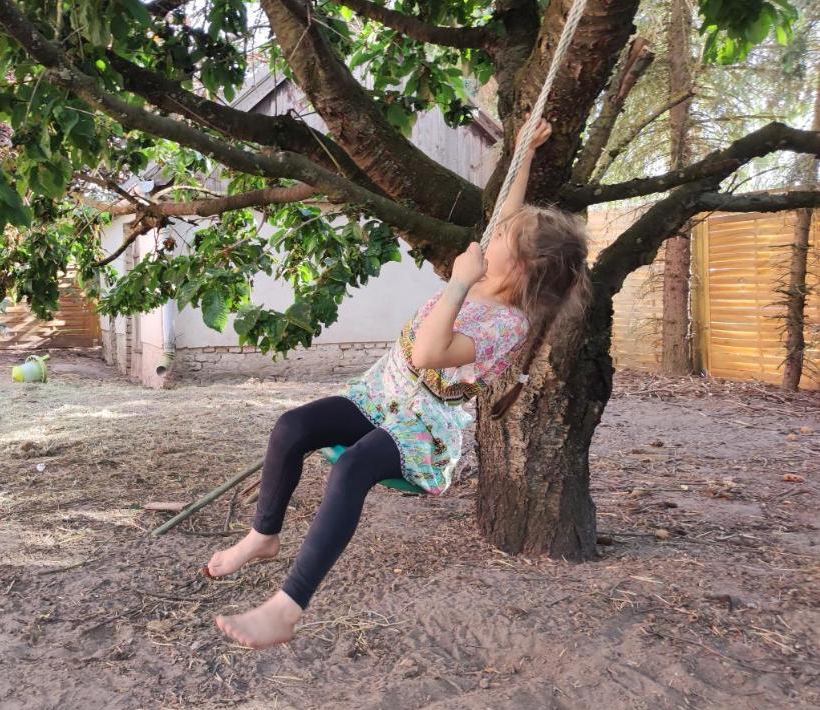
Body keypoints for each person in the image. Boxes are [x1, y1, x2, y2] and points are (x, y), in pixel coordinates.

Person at [207, 116, 591, 649]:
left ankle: (287, 607)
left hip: (423, 422)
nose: (492, 233)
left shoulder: (508, 324)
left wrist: (458, 283)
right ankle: (264, 534)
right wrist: (524, 151)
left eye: (501, 237)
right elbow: (508, 212)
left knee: (353, 468)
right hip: (382, 393)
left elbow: (434, 351)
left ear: (520, 269)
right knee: (292, 427)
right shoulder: (496, 269)